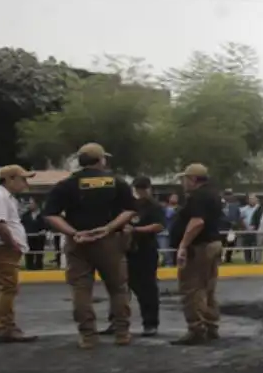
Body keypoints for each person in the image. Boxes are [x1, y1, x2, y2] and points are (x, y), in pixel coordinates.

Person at [41, 142, 138, 348]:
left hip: (79, 243)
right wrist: (108, 228)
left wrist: (74, 233)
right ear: (101, 160)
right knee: (118, 289)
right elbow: (129, 210)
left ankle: (88, 336)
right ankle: (122, 333)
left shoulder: (67, 184)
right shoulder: (117, 182)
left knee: (81, 290)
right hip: (109, 241)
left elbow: (51, 215)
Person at [0, 165, 36, 343]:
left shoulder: (1, 196)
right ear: (10, 179)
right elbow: (0, 225)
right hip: (2, 248)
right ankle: (6, 327)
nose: (25, 184)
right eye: (23, 179)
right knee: (8, 287)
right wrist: (13, 244)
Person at [170, 163, 226, 346]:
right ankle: (211, 326)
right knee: (208, 287)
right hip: (212, 243)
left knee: (191, 288)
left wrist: (183, 245)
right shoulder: (213, 194)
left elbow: (197, 222)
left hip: (200, 246)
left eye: (185, 179)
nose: (183, 182)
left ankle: (196, 328)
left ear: (193, 179)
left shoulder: (198, 197)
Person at [126, 176, 168, 336]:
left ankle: (150, 323)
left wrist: (137, 230)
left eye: (143, 189)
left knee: (147, 289)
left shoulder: (154, 206)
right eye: (138, 189)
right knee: (121, 288)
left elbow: (159, 226)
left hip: (146, 250)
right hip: (128, 249)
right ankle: (117, 322)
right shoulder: (132, 205)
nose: (140, 192)